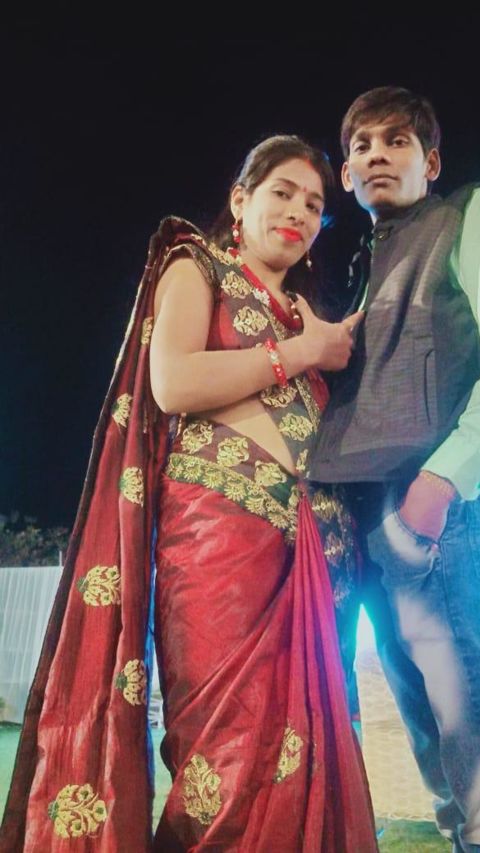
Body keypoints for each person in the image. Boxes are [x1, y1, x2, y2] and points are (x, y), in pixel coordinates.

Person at [0, 136, 377, 852]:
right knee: (222, 762)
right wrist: (303, 353)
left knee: (305, 763)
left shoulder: (308, 314)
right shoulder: (196, 264)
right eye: (282, 192)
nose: (298, 212)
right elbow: (173, 382)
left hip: (312, 558)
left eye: (314, 205)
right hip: (215, 544)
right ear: (240, 200)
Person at [309, 87, 480, 852]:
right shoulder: (352, 269)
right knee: (433, 743)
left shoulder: (471, 214)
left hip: (434, 510)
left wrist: (444, 480)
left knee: (478, 732)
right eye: (361, 145)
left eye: (397, 140)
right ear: (345, 174)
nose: (377, 154)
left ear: (432, 161)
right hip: (362, 519)